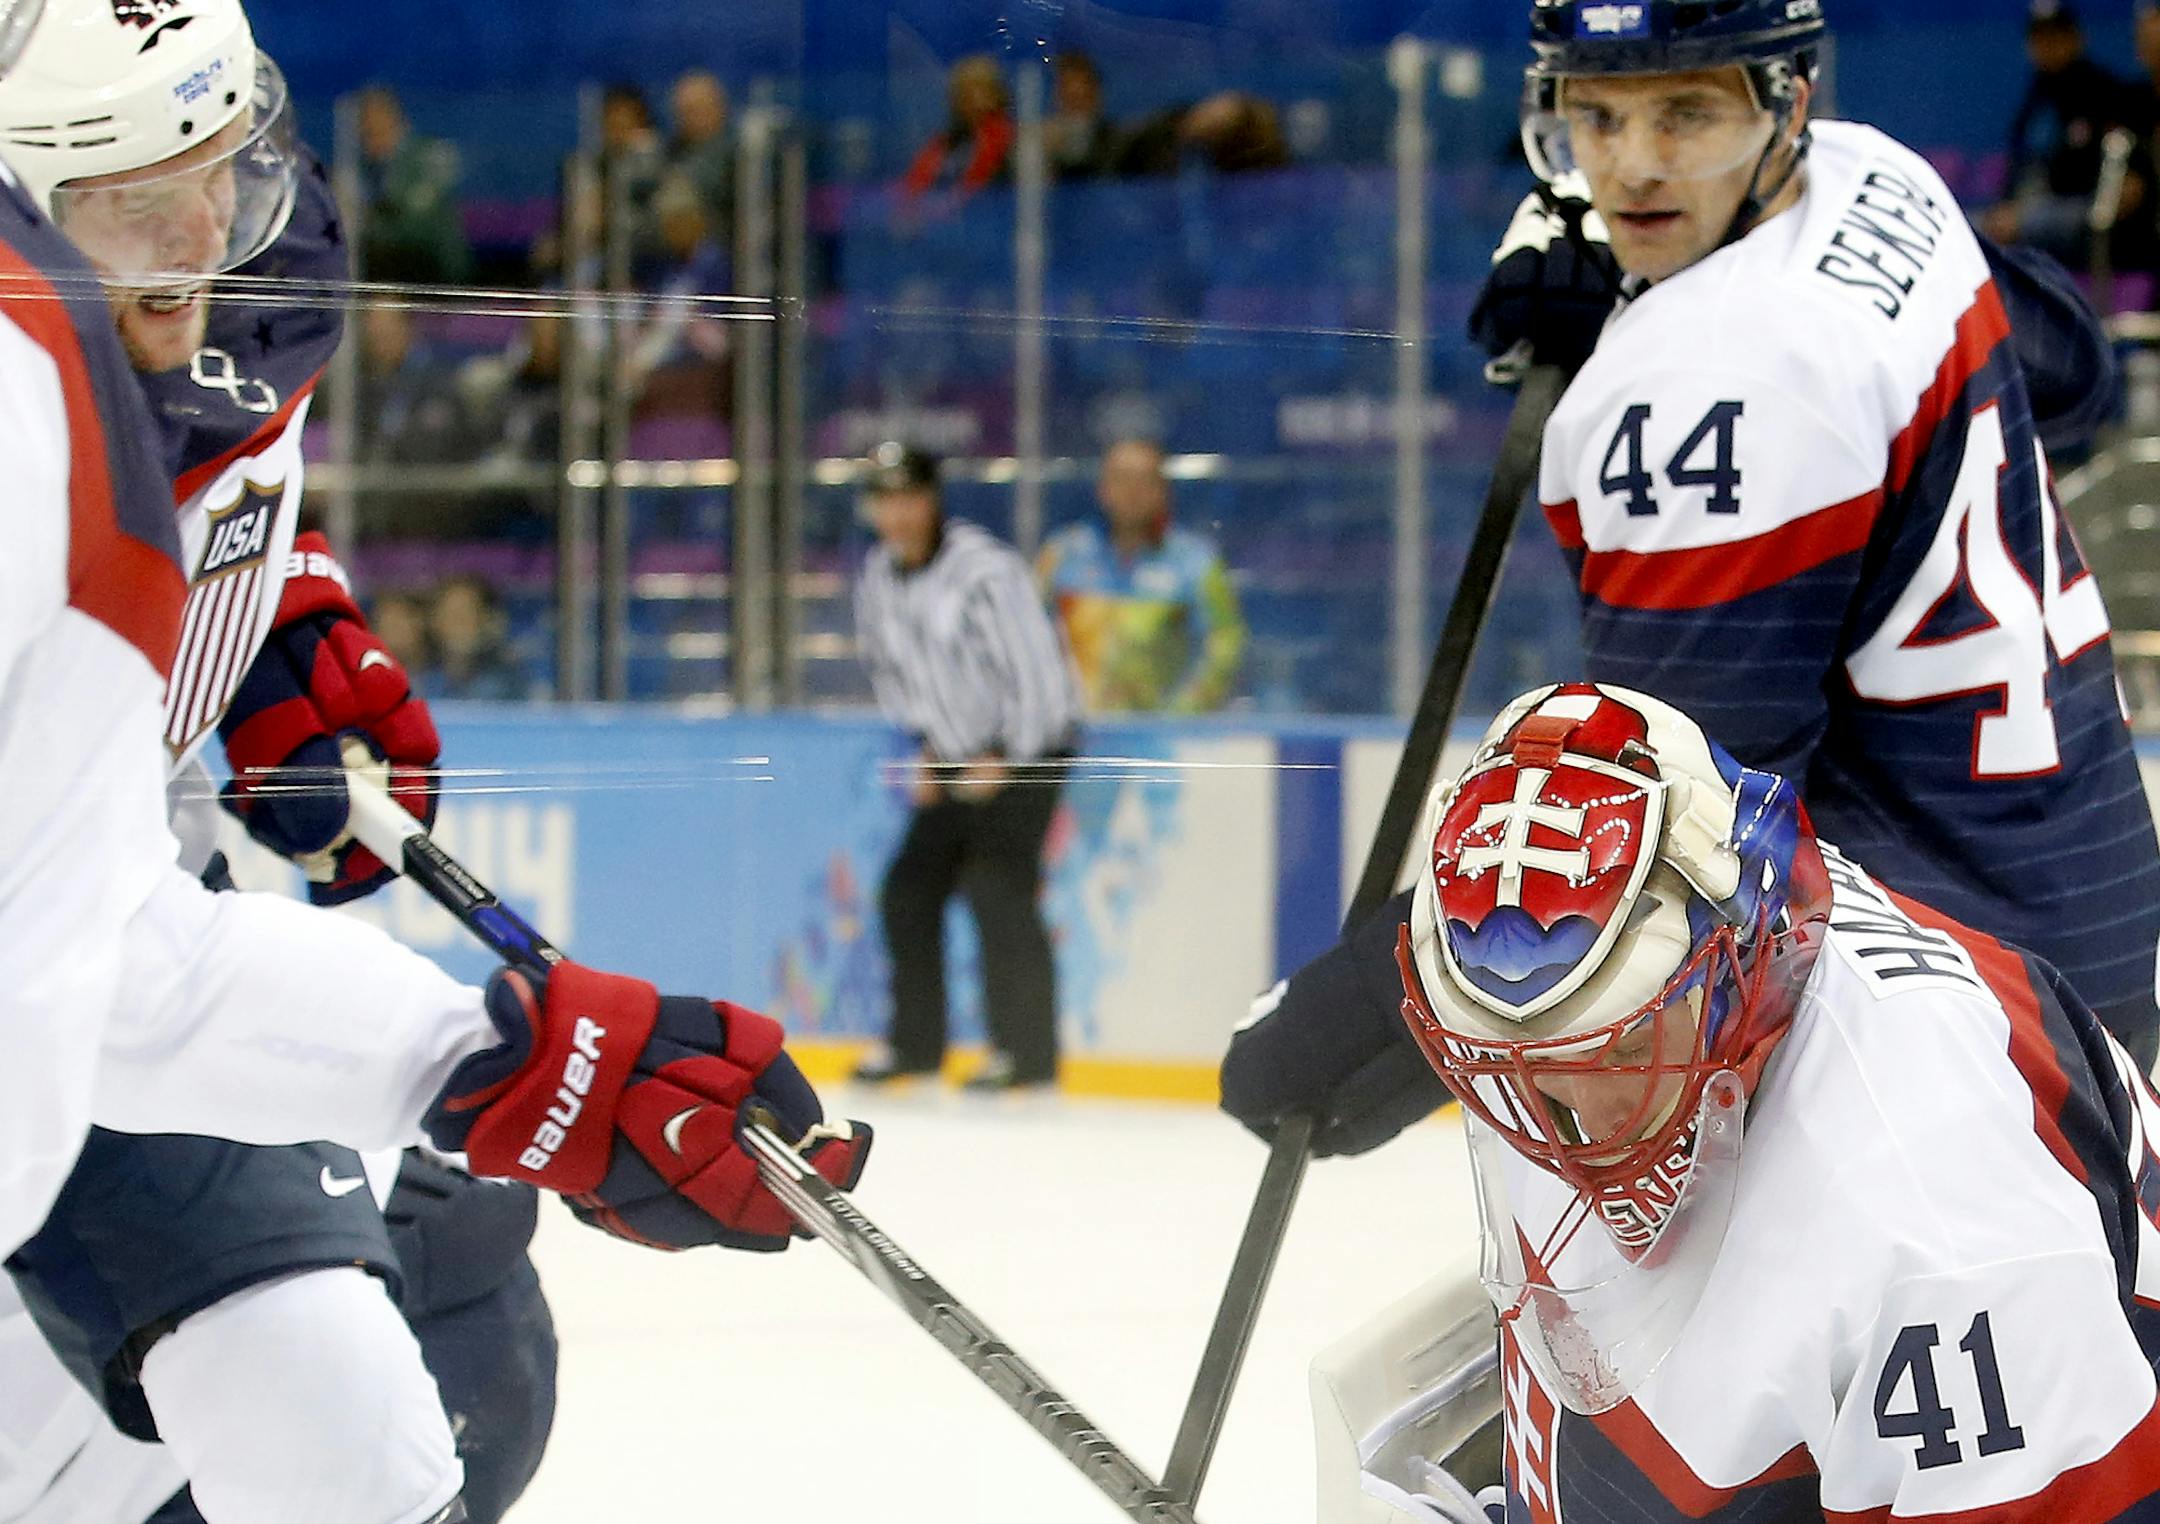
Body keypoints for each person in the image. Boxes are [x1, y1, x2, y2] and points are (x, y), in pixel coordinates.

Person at [0, 10, 872, 1524]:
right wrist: (507, 1065)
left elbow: (189, 489)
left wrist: (261, 610)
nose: (208, 233)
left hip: (99, 906)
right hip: (78, 959)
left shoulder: (155, 323)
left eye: (230, 169)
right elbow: (101, 967)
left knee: (420, 1362)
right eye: (144, 199)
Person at [1223, 0, 2160, 1189]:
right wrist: (1639, 290)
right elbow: (2073, 380)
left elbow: (1671, 820)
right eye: (1596, 116)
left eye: (1687, 111)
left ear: (1785, 102)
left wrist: (1361, 1017)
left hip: (1936, 1030)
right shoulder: (1883, 178)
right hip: (2084, 930)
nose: (1635, 164)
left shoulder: (1711, 387)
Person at [1311, 682, 2160, 1522]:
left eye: (1625, 1053)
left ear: (1736, 966)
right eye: (1515, 1064)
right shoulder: (1693, 945)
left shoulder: (1941, 1232)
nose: (1572, 1130)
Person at [851, 443, 1082, 1091]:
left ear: (932, 500)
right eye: (883, 500)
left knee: (997, 884)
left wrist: (1006, 756)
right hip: (953, 752)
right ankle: (916, 1046)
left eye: (908, 498)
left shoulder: (986, 571)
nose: (896, 514)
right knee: (909, 888)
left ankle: (1027, 1054)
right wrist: (925, 745)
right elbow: (893, 669)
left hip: (1029, 749)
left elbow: (1037, 672)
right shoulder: (877, 575)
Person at [1037, 438, 1247, 712]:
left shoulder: (1196, 564)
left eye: (1144, 481)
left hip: (1158, 738)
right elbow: (1025, 635)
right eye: (1121, 479)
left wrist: (1184, 712)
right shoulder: (1061, 554)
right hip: (1070, 733)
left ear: (1163, 491)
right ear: (1103, 488)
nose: (1132, 491)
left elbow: (1225, 644)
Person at [1982, 1, 2132, 266]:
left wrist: (2020, 216)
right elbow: (2021, 164)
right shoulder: (2036, 95)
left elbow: (2107, 179)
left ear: (2074, 38)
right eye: (2038, 39)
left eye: (2054, 37)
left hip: (2084, 209)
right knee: (1971, 228)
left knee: (2019, 225)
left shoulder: (2103, 90)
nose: (2046, 47)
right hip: (2032, 206)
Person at [355, 84, 470, 285]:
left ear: (396, 119)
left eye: (378, 122)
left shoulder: (427, 155)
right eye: (366, 128)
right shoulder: (363, 168)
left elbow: (418, 220)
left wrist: (369, 218)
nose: (371, 128)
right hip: (383, 273)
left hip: (433, 268)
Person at [898, 56, 1014, 213]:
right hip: (934, 219)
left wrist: (937, 210)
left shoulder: (1003, 135)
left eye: (982, 90)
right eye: (966, 92)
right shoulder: (946, 141)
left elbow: (975, 185)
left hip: (980, 219)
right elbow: (915, 182)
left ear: (998, 95)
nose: (974, 99)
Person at [665, 69, 734, 244]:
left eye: (695, 110)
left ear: (719, 108)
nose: (687, 119)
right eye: (683, 111)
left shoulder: (736, 156)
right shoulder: (669, 153)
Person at [1045, 53, 1118, 181]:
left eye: (1084, 99)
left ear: (1097, 95)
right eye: (1071, 99)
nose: (1077, 112)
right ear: (1057, 97)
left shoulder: (1116, 143)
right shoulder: (1040, 145)